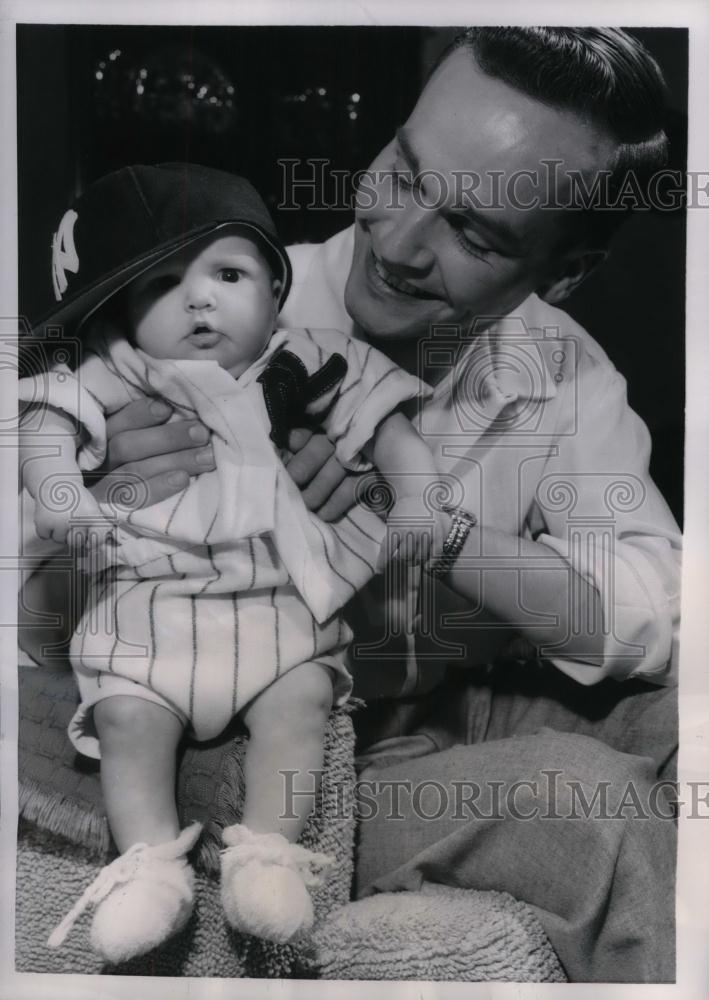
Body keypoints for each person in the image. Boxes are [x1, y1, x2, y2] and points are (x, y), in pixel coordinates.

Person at [20, 28, 682, 982]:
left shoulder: (564, 367)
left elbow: (665, 607)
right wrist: (100, 494)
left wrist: (439, 531)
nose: (399, 243)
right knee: (594, 810)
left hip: (460, 705)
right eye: (404, 171)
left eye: (472, 231)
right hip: (297, 751)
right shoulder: (199, 325)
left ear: (562, 272)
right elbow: (28, 621)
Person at [18, 163, 447, 962]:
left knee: (303, 703)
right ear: (121, 312)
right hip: (150, 608)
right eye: (164, 283)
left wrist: (420, 497)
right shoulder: (115, 369)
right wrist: (61, 496)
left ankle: (268, 856)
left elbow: (390, 430)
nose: (200, 298)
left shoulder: (307, 358)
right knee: (125, 719)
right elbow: (47, 426)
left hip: (272, 606)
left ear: (274, 293)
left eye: (229, 273)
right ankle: (148, 865)